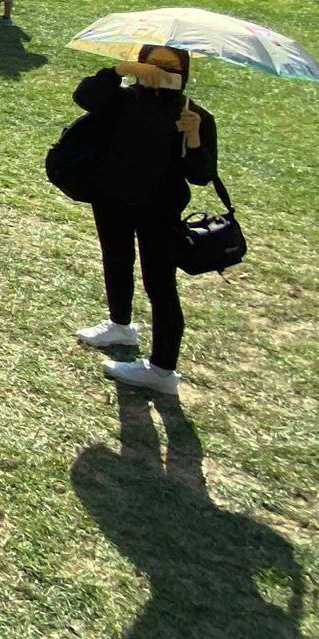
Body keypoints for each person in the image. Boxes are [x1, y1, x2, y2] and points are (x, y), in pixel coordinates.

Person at [69, 47, 215, 396]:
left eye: (170, 66)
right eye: (152, 63)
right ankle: (120, 325)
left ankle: (163, 369)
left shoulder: (193, 114)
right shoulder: (122, 98)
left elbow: (201, 175)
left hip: (160, 210)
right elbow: (84, 96)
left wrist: (194, 137)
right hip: (112, 199)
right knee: (116, 260)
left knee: (160, 283)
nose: (159, 71)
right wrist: (118, 70)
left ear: (184, 72)